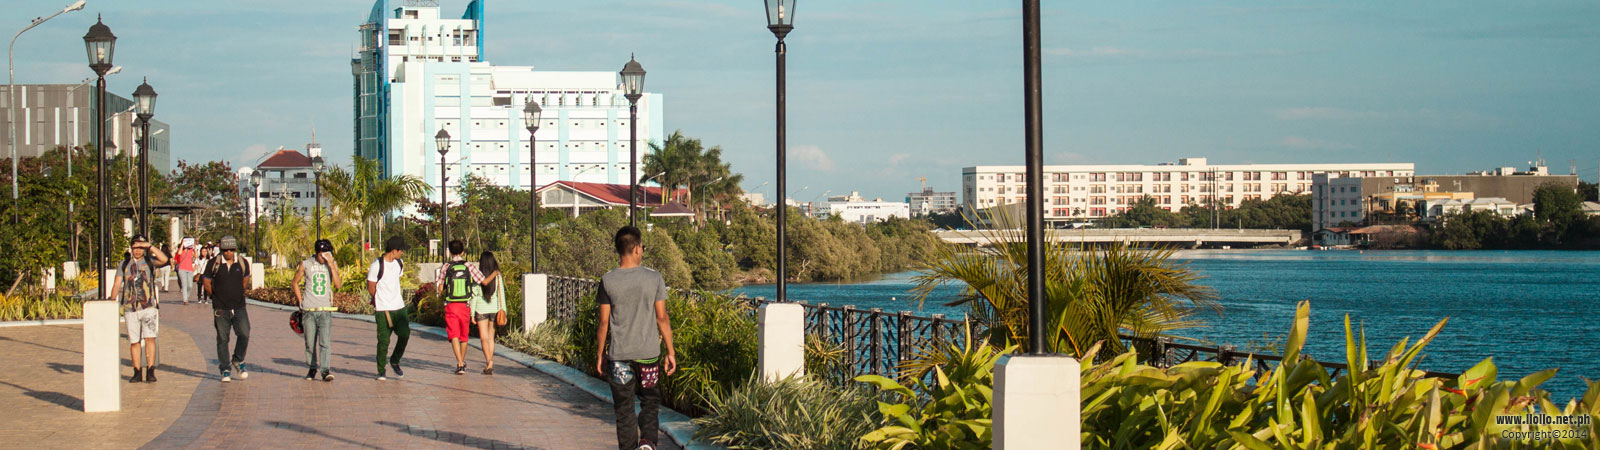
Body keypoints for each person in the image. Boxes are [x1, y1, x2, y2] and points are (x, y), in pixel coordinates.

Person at [594, 226, 678, 450]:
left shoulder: (607, 280)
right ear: (637, 249)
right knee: (650, 402)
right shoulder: (654, 278)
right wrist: (670, 351)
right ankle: (648, 443)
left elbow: (603, 322)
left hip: (619, 356)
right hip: (649, 355)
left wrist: (600, 353)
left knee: (624, 410)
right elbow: (661, 318)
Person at [107, 235, 170, 383]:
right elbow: (117, 284)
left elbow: (165, 259)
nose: (137, 250)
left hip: (148, 306)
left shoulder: (149, 262)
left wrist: (150, 246)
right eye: (135, 247)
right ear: (131, 247)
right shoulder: (124, 264)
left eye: (140, 247)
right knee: (134, 341)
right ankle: (136, 371)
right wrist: (111, 300)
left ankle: (150, 370)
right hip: (130, 307)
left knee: (150, 338)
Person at [435, 240, 494, 375]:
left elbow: (439, 287)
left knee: (453, 334)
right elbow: (483, 281)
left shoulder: (446, 266)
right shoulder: (469, 266)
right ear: (463, 252)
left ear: (449, 252)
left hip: (450, 305)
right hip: (465, 305)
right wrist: (495, 273)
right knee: (463, 335)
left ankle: (460, 363)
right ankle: (462, 361)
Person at [204, 236, 252, 382]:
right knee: (223, 338)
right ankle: (225, 368)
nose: (228, 253)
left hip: (239, 306)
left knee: (244, 333)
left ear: (235, 249)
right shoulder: (214, 263)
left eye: (231, 250)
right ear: (221, 250)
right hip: (220, 308)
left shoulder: (242, 263)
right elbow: (207, 283)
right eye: (225, 250)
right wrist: (215, 297)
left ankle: (238, 359)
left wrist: (236, 293)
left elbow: (245, 280)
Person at [293, 239, 342, 382]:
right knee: (309, 341)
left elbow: (338, 285)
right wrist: (300, 301)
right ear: (317, 253)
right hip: (309, 309)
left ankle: (325, 370)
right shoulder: (306, 264)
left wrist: (332, 266)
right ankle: (312, 367)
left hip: (325, 309)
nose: (325, 257)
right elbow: (295, 282)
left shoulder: (331, 264)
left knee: (325, 342)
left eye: (328, 253)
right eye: (323, 254)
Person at [368, 236, 410, 380]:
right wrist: (381, 300)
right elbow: (371, 286)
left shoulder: (399, 263)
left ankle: (395, 360)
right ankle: (381, 370)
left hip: (399, 307)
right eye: (401, 250)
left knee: (404, 334)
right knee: (384, 341)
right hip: (383, 309)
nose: (402, 253)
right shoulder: (377, 265)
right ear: (394, 250)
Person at [471, 251, 506, 375]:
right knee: (491, 338)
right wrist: (504, 310)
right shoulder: (497, 276)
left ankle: (489, 362)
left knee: (483, 338)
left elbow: (474, 296)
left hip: (480, 309)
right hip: (495, 309)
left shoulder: (477, 277)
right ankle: (489, 362)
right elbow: (501, 294)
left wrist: (471, 314)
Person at [174, 239, 197, 305]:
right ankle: (185, 300)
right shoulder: (181, 249)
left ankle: (187, 296)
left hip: (189, 269)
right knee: (184, 284)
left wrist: (194, 247)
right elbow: (179, 253)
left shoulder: (191, 250)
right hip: (182, 269)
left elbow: (196, 256)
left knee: (190, 285)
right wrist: (183, 243)